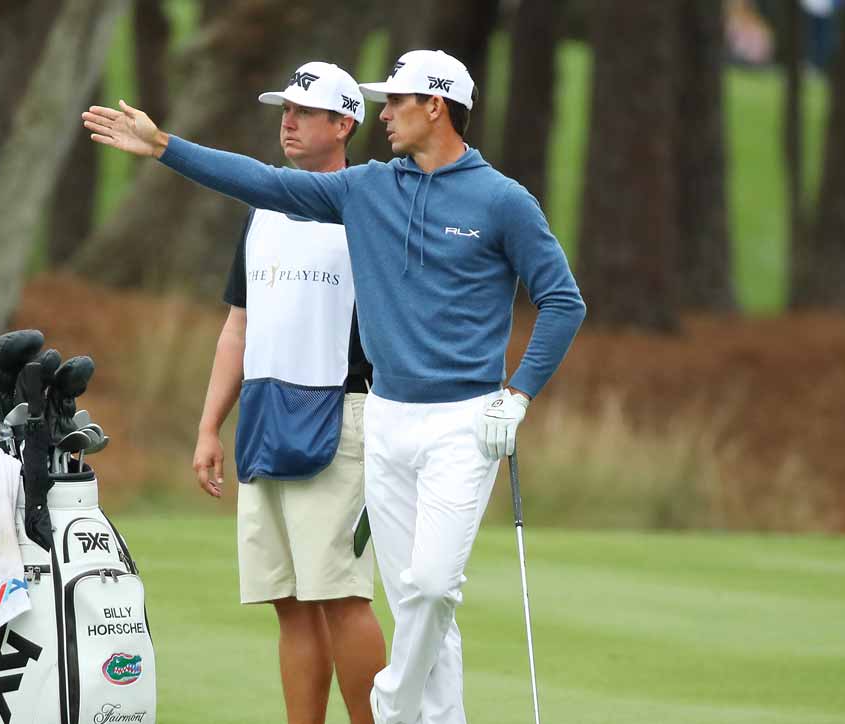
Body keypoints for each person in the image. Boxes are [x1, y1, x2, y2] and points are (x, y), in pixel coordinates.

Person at [84, 49, 586, 724]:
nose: (384, 116)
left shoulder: (501, 200)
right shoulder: (368, 189)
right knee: (414, 600)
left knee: (434, 588)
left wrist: (518, 395)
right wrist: (166, 147)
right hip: (386, 419)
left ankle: (390, 703)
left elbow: (564, 301)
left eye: (397, 102)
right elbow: (262, 184)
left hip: (466, 421)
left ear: (434, 106)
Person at [190, 61, 386, 724]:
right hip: (267, 419)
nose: (289, 122)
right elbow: (237, 328)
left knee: (340, 597)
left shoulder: (370, 207)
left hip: (343, 414)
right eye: (285, 110)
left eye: (305, 112)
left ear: (345, 123)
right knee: (291, 603)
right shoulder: (263, 212)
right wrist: (209, 426)